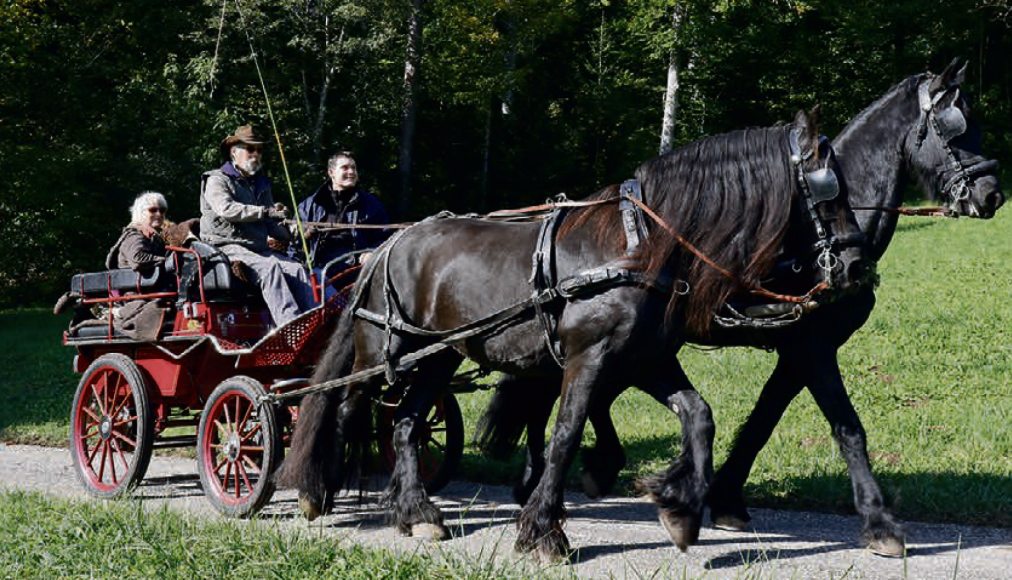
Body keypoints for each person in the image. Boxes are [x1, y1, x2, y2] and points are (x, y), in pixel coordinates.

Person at [199, 125, 314, 326]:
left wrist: (295, 232)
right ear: (234, 152)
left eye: (259, 150)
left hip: (257, 248)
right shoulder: (216, 179)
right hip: (224, 247)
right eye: (250, 149)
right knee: (270, 269)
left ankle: (315, 325)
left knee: (296, 268)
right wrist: (265, 211)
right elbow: (226, 209)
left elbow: (272, 224)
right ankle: (292, 328)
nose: (256, 154)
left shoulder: (261, 184)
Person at [291, 151, 390, 284]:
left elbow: (384, 238)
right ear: (331, 173)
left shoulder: (372, 204)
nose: (351, 172)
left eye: (354, 168)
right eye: (345, 168)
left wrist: (372, 252)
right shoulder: (309, 206)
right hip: (318, 270)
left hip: (357, 271)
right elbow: (293, 243)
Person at [105, 191, 169, 272]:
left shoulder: (158, 237)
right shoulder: (134, 234)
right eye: (153, 210)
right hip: (134, 283)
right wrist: (167, 261)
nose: (159, 214)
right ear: (141, 212)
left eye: (162, 210)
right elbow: (137, 259)